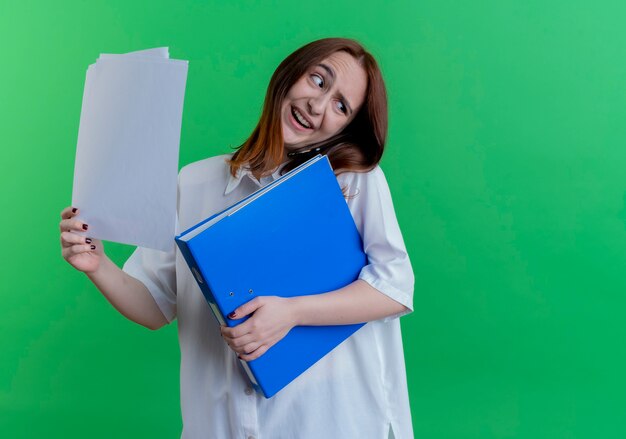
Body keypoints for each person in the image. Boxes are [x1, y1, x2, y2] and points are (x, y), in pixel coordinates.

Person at [60, 38, 415, 439]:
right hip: (220, 426)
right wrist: (97, 265)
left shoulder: (349, 182)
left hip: (323, 421)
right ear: (289, 74)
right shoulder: (195, 182)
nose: (317, 106)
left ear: (347, 126)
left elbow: (395, 288)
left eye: (340, 106)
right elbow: (154, 305)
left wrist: (291, 313)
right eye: (318, 81)